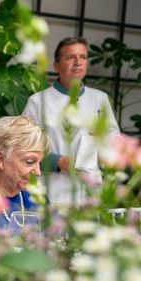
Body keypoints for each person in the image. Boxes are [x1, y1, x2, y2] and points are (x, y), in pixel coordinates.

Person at [23, 37, 120, 204]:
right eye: (70, 57)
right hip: (52, 191)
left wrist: (104, 141)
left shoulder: (100, 99)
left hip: (91, 192)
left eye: (83, 57)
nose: (78, 62)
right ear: (56, 65)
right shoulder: (38, 101)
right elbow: (23, 146)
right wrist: (58, 161)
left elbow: (115, 141)